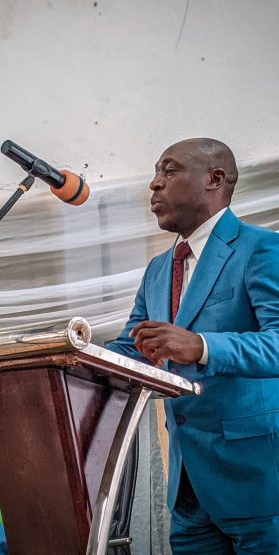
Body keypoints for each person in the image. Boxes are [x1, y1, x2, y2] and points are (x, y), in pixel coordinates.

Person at [107, 138, 279, 554]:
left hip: (259, 483)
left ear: (214, 179)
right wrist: (62, 357)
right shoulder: (157, 269)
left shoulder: (262, 248)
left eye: (169, 171)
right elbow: (134, 349)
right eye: (156, 173)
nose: (154, 184)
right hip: (187, 489)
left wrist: (202, 346)